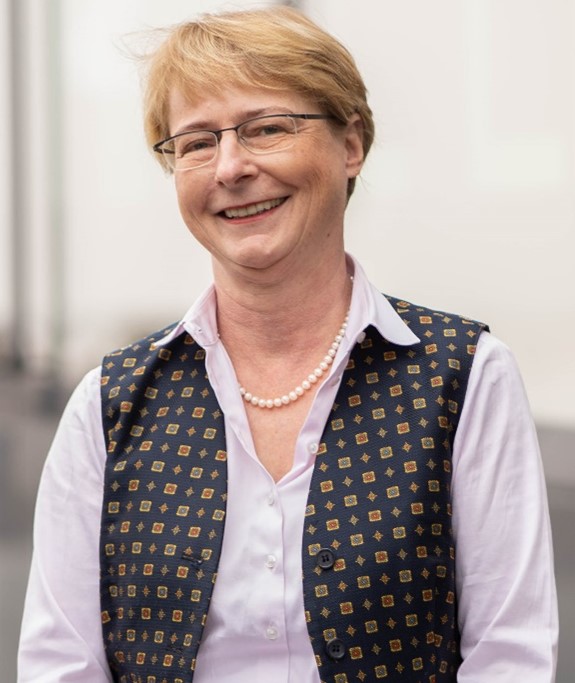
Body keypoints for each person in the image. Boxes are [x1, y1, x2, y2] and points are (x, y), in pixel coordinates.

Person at [18, 7, 558, 682]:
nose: (230, 167)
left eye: (266, 128)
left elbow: (508, 656)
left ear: (350, 143)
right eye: (196, 143)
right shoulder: (108, 403)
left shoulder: (465, 374)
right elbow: (60, 663)